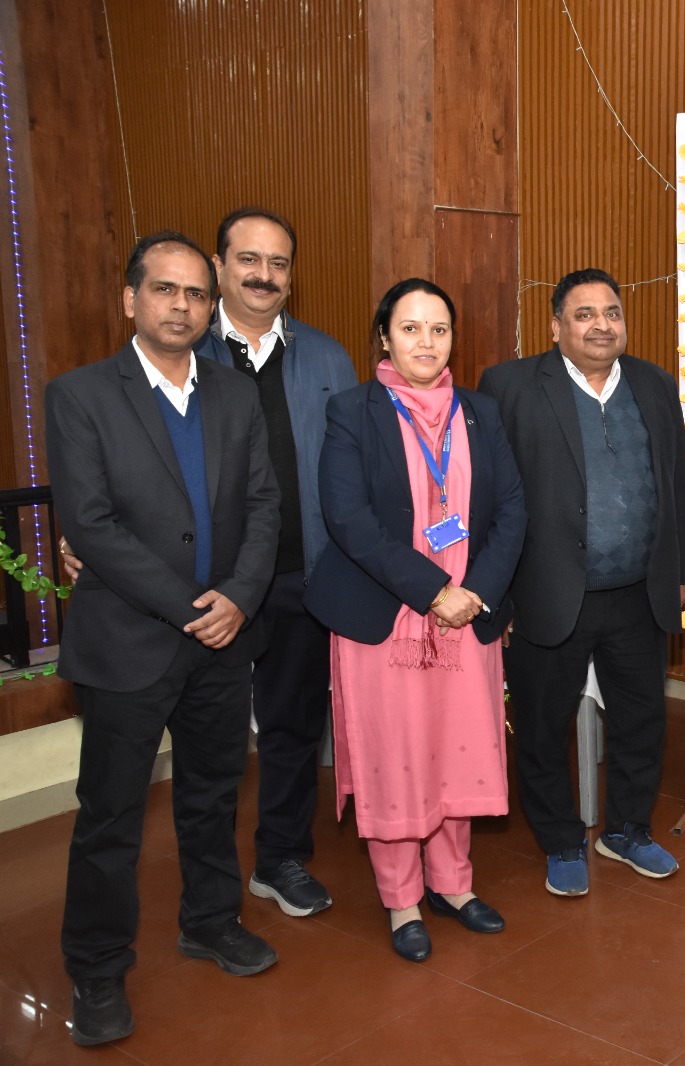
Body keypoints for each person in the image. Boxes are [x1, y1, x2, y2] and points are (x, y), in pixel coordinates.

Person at [60, 207, 357, 918]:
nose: (263, 275)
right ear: (219, 269)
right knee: (135, 795)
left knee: (272, 744)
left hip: (290, 581)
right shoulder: (149, 366)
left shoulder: (323, 359)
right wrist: (96, 549)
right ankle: (111, 953)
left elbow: (313, 481)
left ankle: (267, 872)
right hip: (174, 606)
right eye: (247, 259)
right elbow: (106, 503)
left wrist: (247, 592)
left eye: (279, 263)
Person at [46, 232, 281, 1046]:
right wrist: (193, 607)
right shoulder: (80, 395)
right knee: (110, 815)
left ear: (211, 307)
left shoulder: (234, 394)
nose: (182, 306)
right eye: (164, 290)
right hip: (129, 642)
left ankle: (211, 922)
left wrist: (239, 599)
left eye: (195, 294)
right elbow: (91, 526)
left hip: (223, 640)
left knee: (213, 795)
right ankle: (97, 968)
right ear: (131, 299)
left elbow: (264, 506)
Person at [304, 279, 526, 962]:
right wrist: (435, 592)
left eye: (439, 329)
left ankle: (453, 885)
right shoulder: (352, 411)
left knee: (457, 749)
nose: (426, 342)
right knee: (395, 759)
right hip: (387, 615)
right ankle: (402, 898)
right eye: (410, 328)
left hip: (468, 616)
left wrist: (476, 592)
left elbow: (512, 509)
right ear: (383, 337)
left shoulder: (481, 411)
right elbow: (349, 520)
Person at [479, 267, 685, 897]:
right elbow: (488, 497)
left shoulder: (655, 384)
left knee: (642, 722)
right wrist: (497, 593)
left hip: (638, 593)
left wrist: (683, 570)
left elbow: (674, 485)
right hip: (546, 593)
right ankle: (560, 838)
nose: (602, 325)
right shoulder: (509, 387)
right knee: (542, 727)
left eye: (611, 313)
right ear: (556, 327)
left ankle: (627, 830)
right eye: (584, 314)